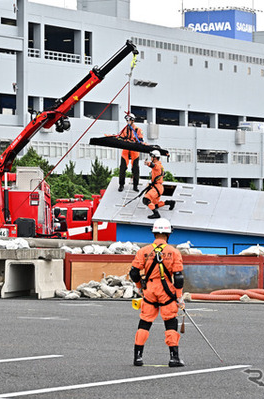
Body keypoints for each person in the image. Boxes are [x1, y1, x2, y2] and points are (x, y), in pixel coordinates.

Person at [128, 218, 185, 367]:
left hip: (149, 291)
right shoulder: (174, 252)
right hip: (167, 292)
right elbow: (178, 277)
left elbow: (134, 272)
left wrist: (140, 287)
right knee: (170, 323)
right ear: (168, 234)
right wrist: (179, 297)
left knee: (145, 323)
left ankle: (138, 357)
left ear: (154, 233)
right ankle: (174, 358)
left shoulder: (144, 251)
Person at [143, 150, 175, 219]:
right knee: (155, 205)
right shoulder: (160, 165)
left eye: (151, 156)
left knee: (146, 200)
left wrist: (147, 163)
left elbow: (153, 165)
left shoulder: (157, 165)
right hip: (158, 188)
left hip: (156, 188)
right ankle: (169, 203)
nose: (151, 158)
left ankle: (156, 214)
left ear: (155, 157)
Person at [117, 113, 144, 192]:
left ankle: (135, 185)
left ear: (133, 120)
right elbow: (121, 137)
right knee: (122, 168)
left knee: (135, 168)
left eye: (129, 120)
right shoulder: (124, 129)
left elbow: (141, 140)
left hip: (134, 149)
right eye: (127, 120)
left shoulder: (138, 130)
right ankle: (121, 184)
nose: (127, 122)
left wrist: (137, 141)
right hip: (126, 149)